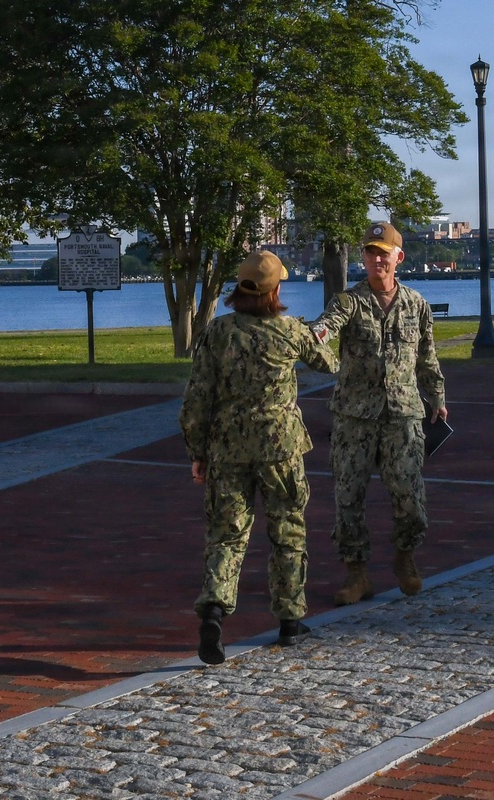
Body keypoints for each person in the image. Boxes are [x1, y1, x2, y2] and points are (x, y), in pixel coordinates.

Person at [180, 250, 339, 665]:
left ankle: (214, 611)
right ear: (276, 289)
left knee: (227, 534)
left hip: (228, 449)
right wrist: (319, 336)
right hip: (281, 450)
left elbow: (196, 399)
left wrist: (197, 451)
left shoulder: (218, 332)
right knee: (288, 531)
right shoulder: (289, 330)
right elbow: (330, 363)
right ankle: (289, 620)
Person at [310, 221, 447, 606]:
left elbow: (427, 356)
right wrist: (316, 335)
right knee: (348, 497)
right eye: (370, 253)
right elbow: (327, 326)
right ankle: (357, 574)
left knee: (409, 494)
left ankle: (405, 558)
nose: (376, 260)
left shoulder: (416, 304)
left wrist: (436, 396)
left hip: (403, 415)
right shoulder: (348, 302)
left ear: (398, 258)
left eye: (383, 254)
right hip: (355, 416)